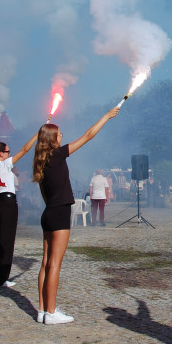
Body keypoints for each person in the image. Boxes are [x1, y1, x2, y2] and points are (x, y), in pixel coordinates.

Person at [33, 108, 119, 325]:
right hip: (60, 213)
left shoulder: (40, 161)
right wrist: (106, 117)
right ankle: (51, 313)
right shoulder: (58, 154)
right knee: (54, 264)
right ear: (52, 139)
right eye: (59, 134)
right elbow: (88, 136)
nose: (62, 136)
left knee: (45, 263)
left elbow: (44, 194)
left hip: (48, 213)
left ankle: (42, 310)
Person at [0, 133, 38, 287]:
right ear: (1, 153)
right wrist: (36, 135)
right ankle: (2, 277)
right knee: (7, 239)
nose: (10, 154)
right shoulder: (3, 164)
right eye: (8, 152)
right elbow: (24, 150)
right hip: (8, 201)